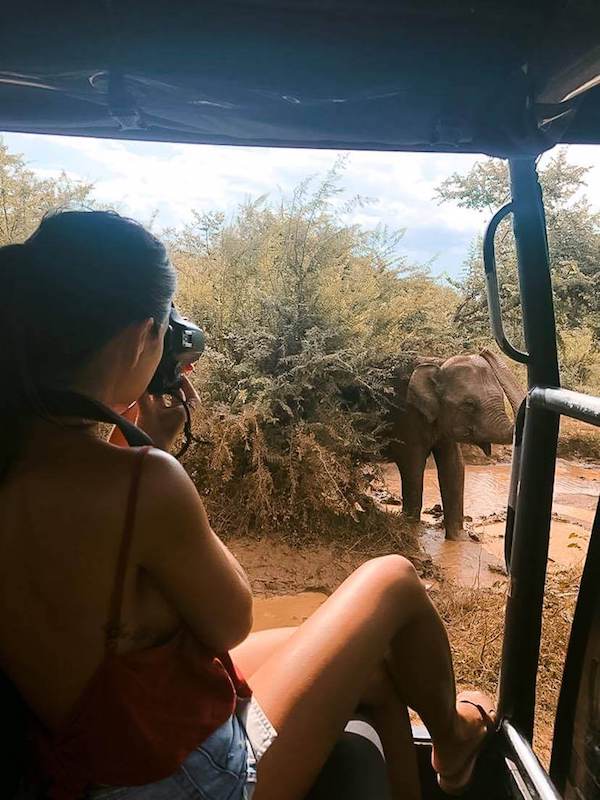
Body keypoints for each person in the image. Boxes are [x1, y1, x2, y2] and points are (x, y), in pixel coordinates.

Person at [0, 210, 495, 800]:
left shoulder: (21, 458)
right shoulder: (143, 481)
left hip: (74, 760)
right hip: (179, 782)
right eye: (162, 328)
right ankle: (455, 734)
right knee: (392, 578)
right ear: (141, 337)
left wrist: (139, 445)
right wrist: (156, 455)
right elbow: (229, 621)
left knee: (369, 667)